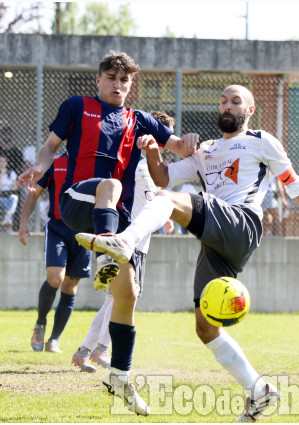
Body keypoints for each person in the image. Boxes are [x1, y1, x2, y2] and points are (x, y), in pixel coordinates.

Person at [74, 84, 299, 422]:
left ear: (250, 109)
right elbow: (163, 177)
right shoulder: (206, 150)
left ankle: (123, 242)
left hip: (242, 223)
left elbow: (295, 185)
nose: (227, 106)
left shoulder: (261, 140)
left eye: (235, 101)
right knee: (205, 326)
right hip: (217, 239)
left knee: (166, 203)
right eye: (223, 100)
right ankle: (259, 391)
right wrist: (154, 149)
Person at [17, 51, 197, 416]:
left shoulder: (140, 120)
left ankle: (120, 375)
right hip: (75, 200)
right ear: (98, 80)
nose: (117, 85)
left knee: (128, 293)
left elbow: (179, 146)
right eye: (111, 78)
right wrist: (37, 168)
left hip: (115, 218)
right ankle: (105, 259)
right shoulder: (76, 106)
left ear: (131, 86)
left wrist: (192, 141)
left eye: (124, 80)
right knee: (112, 186)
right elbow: (50, 148)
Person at [71, 111, 176, 374]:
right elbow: (145, 197)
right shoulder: (140, 165)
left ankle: (86, 351)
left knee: (114, 299)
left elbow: (150, 198)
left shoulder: (144, 167)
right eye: (163, 137)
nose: (164, 143)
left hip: (135, 241)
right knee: (123, 298)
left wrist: (163, 218)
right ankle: (97, 350)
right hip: (131, 242)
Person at [19, 152, 92, 354]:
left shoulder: (95, 162)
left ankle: (54, 340)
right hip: (58, 227)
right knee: (54, 279)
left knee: (70, 286)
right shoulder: (55, 163)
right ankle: (40, 324)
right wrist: (24, 222)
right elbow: (34, 193)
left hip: (84, 230)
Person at [0, 155, 19, 232]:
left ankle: (7, 220)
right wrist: (2, 175)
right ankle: (8, 223)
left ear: (6, 163)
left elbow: (15, 187)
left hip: (9, 196)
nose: (2, 163)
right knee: (12, 203)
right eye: (0, 162)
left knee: (14, 198)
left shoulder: (12, 173)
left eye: (4, 161)